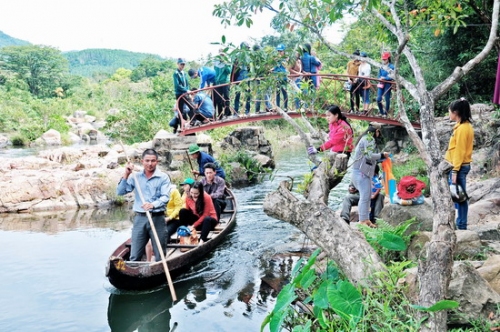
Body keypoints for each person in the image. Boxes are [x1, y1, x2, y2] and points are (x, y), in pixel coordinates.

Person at [116, 149, 171, 261]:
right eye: (147, 161)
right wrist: (126, 174)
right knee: (135, 255)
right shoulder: (135, 177)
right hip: (140, 218)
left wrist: (152, 205)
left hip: (157, 218)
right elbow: (120, 192)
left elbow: (165, 197)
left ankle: (159, 273)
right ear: (142, 161)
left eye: (153, 161)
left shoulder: (163, 177)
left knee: (160, 255)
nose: (150, 164)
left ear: (157, 162)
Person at [351, 123, 390, 227]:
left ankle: (366, 219)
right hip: (361, 173)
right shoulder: (369, 139)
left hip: (360, 173)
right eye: (379, 132)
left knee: (366, 197)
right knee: (364, 197)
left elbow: (370, 158)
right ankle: (362, 221)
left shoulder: (365, 138)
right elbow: (369, 156)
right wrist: (382, 155)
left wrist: (382, 158)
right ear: (376, 131)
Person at [445, 98, 474, 230]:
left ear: (456, 112)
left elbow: (459, 151)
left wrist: (455, 171)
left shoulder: (463, 129)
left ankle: (462, 225)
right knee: (457, 196)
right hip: (457, 166)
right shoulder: (461, 126)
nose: (449, 114)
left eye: (449, 112)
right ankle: (460, 223)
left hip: (459, 167)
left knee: (460, 198)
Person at [145, 184, 184, 261]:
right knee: (148, 234)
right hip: (161, 218)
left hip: (174, 219)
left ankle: (159, 254)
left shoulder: (174, 192)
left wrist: (169, 218)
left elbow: (178, 208)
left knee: (164, 233)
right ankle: (150, 256)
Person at [232, 42, 251, 116]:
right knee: (240, 95)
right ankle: (240, 111)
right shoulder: (238, 56)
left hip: (245, 78)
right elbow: (234, 69)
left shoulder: (248, 57)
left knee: (244, 95)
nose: (248, 49)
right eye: (247, 48)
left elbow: (249, 68)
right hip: (240, 78)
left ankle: (242, 111)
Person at [214, 50, 232, 118]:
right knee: (218, 98)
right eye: (220, 54)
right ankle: (220, 115)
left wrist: (225, 63)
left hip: (225, 82)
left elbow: (229, 71)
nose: (221, 55)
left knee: (226, 97)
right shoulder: (216, 62)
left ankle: (227, 113)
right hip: (218, 82)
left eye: (223, 54)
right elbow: (216, 72)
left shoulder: (227, 61)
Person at [376, 52, 395, 118]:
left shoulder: (392, 67)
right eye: (383, 59)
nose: (383, 61)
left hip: (388, 84)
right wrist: (380, 78)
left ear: (388, 59)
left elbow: (393, 76)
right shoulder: (381, 66)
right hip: (381, 84)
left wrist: (385, 78)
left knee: (387, 99)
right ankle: (381, 112)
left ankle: (385, 113)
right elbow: (379, 75)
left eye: (385, 59)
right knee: (378, 99)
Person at [273, 44, 289, 111]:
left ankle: (285, 107)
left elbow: (286, 66)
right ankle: (278, 107)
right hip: (277, 78)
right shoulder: (276, 59)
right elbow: (275, 67)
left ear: (284, 51)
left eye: (281, 51)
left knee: (284, 92)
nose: (279, 52)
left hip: (283, 77)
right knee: (277, 93)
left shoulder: (286, 58)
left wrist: (281, 60)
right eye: (278, 51)